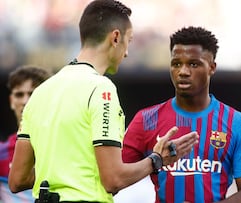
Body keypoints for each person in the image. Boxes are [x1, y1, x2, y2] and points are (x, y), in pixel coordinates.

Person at [8, 0, 198, 202]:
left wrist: (65, 171)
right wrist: (157, 160)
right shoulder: (101, 89)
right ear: (115, 37)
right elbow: (113, 179)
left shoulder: (41, 92)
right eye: (129, 41)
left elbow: (18, 179)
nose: (126, 53)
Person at [121, 26, 241, 203]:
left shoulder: (237, 124)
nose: (183, 72)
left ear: (212, 67)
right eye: (176, 64)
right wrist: (154, 161)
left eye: (193, 64)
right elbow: (115, 180)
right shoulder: (146, 120)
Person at [0, 66, 50, 203]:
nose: (25, 101)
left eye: (32, 94)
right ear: (11, 101)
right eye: (19, 94)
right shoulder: (1, 154)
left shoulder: (64, 149)